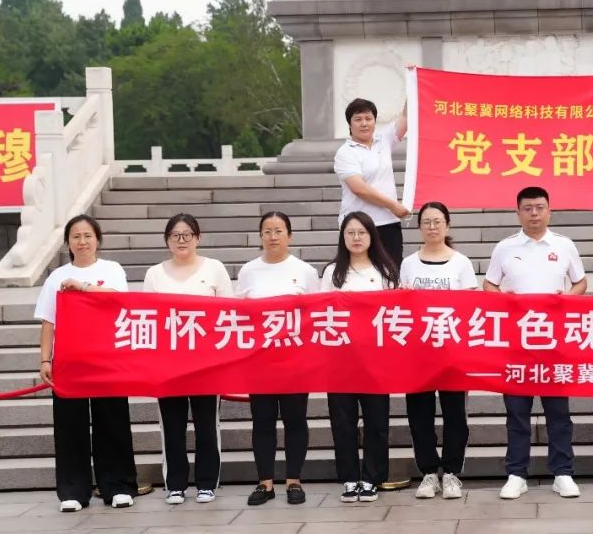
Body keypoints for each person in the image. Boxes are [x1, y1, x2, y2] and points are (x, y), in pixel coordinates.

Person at [484, 186, 587, 500]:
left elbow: (581, 282)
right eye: (527, 208)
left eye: (539, 207)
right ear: (517, 212)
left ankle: (563, 472)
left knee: (558, 411)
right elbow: (489, 284)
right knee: (517, 411)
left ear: (549, 210)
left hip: (554, 342)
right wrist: (503, 299)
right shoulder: (505, 247)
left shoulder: (564, 245)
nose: (534, 214)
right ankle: (516, 473)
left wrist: (566, 297)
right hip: (517, 343)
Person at [35, 214, 138, 512]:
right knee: (70, 425)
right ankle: (73, 490)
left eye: (88, 236)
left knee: (113, 421)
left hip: (107, 359)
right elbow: (48, 322)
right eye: (76, 236)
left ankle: (118, 486)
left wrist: (83, 287)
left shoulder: (112, 269)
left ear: (98, 240)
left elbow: (119, 300)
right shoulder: (56, 277)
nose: (82, 242)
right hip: (70, 361)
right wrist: (45, 358)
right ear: (68, 242)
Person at [142, 213, 233, 505]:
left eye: (187, 235)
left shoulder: (214, 268)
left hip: (206, 363)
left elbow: (229, 313)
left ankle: (207, 483)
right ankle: (176, 485)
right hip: (168, 365)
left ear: (198, 238)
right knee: (172, 426)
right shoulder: (154, 274)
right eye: (175, 236)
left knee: (207, 424)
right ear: (167, 241)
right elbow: (147, 317)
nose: (181, 240)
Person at [236, 211, 320, 507]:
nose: (272, 237)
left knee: (295, 419)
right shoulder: (249, 271)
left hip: (295, 359)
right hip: (260, 360)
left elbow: (316, 314)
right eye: (267, 231)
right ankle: (265, 483)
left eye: (278, 231)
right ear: (260, 236)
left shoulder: (305, 271)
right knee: (263, 421)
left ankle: (294, 481)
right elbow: (239, 315)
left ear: (290, 236)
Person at [321, 211, 400, 503]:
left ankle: (371, 478)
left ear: (371, 236)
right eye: (350, 232)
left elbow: (395, 314)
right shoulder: (332, 272)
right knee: (343, 422)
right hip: (340, 360)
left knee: (376, 421)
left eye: (362, 232)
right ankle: (350, 478)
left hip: (375, 361)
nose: (356, 238)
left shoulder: (385, 270)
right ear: (342, 237)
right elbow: (322, 313)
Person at [399, 202, 477, 500]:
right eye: (426, 222)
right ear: (420, 227)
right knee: (419, 414)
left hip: (451, 351)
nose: (432, 227)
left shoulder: (461, 263)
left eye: (437, 221)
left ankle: (452, 473)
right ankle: (429, 472)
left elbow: (471, 307)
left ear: (447, 225)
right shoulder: (409, 263)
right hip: (418, 352)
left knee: (455, 414)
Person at [333, 97, 409, 265]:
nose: (364, 124)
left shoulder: (384, 140)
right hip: (357, 226)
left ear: (375, 121)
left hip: (388, 222)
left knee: (391, 271)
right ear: (350, 124)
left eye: (368, 118)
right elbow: (359, 188)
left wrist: (414, 84)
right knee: (357, 272)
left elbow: (406, 117)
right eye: (358, 119)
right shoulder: (345, 152)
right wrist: (393, 205)